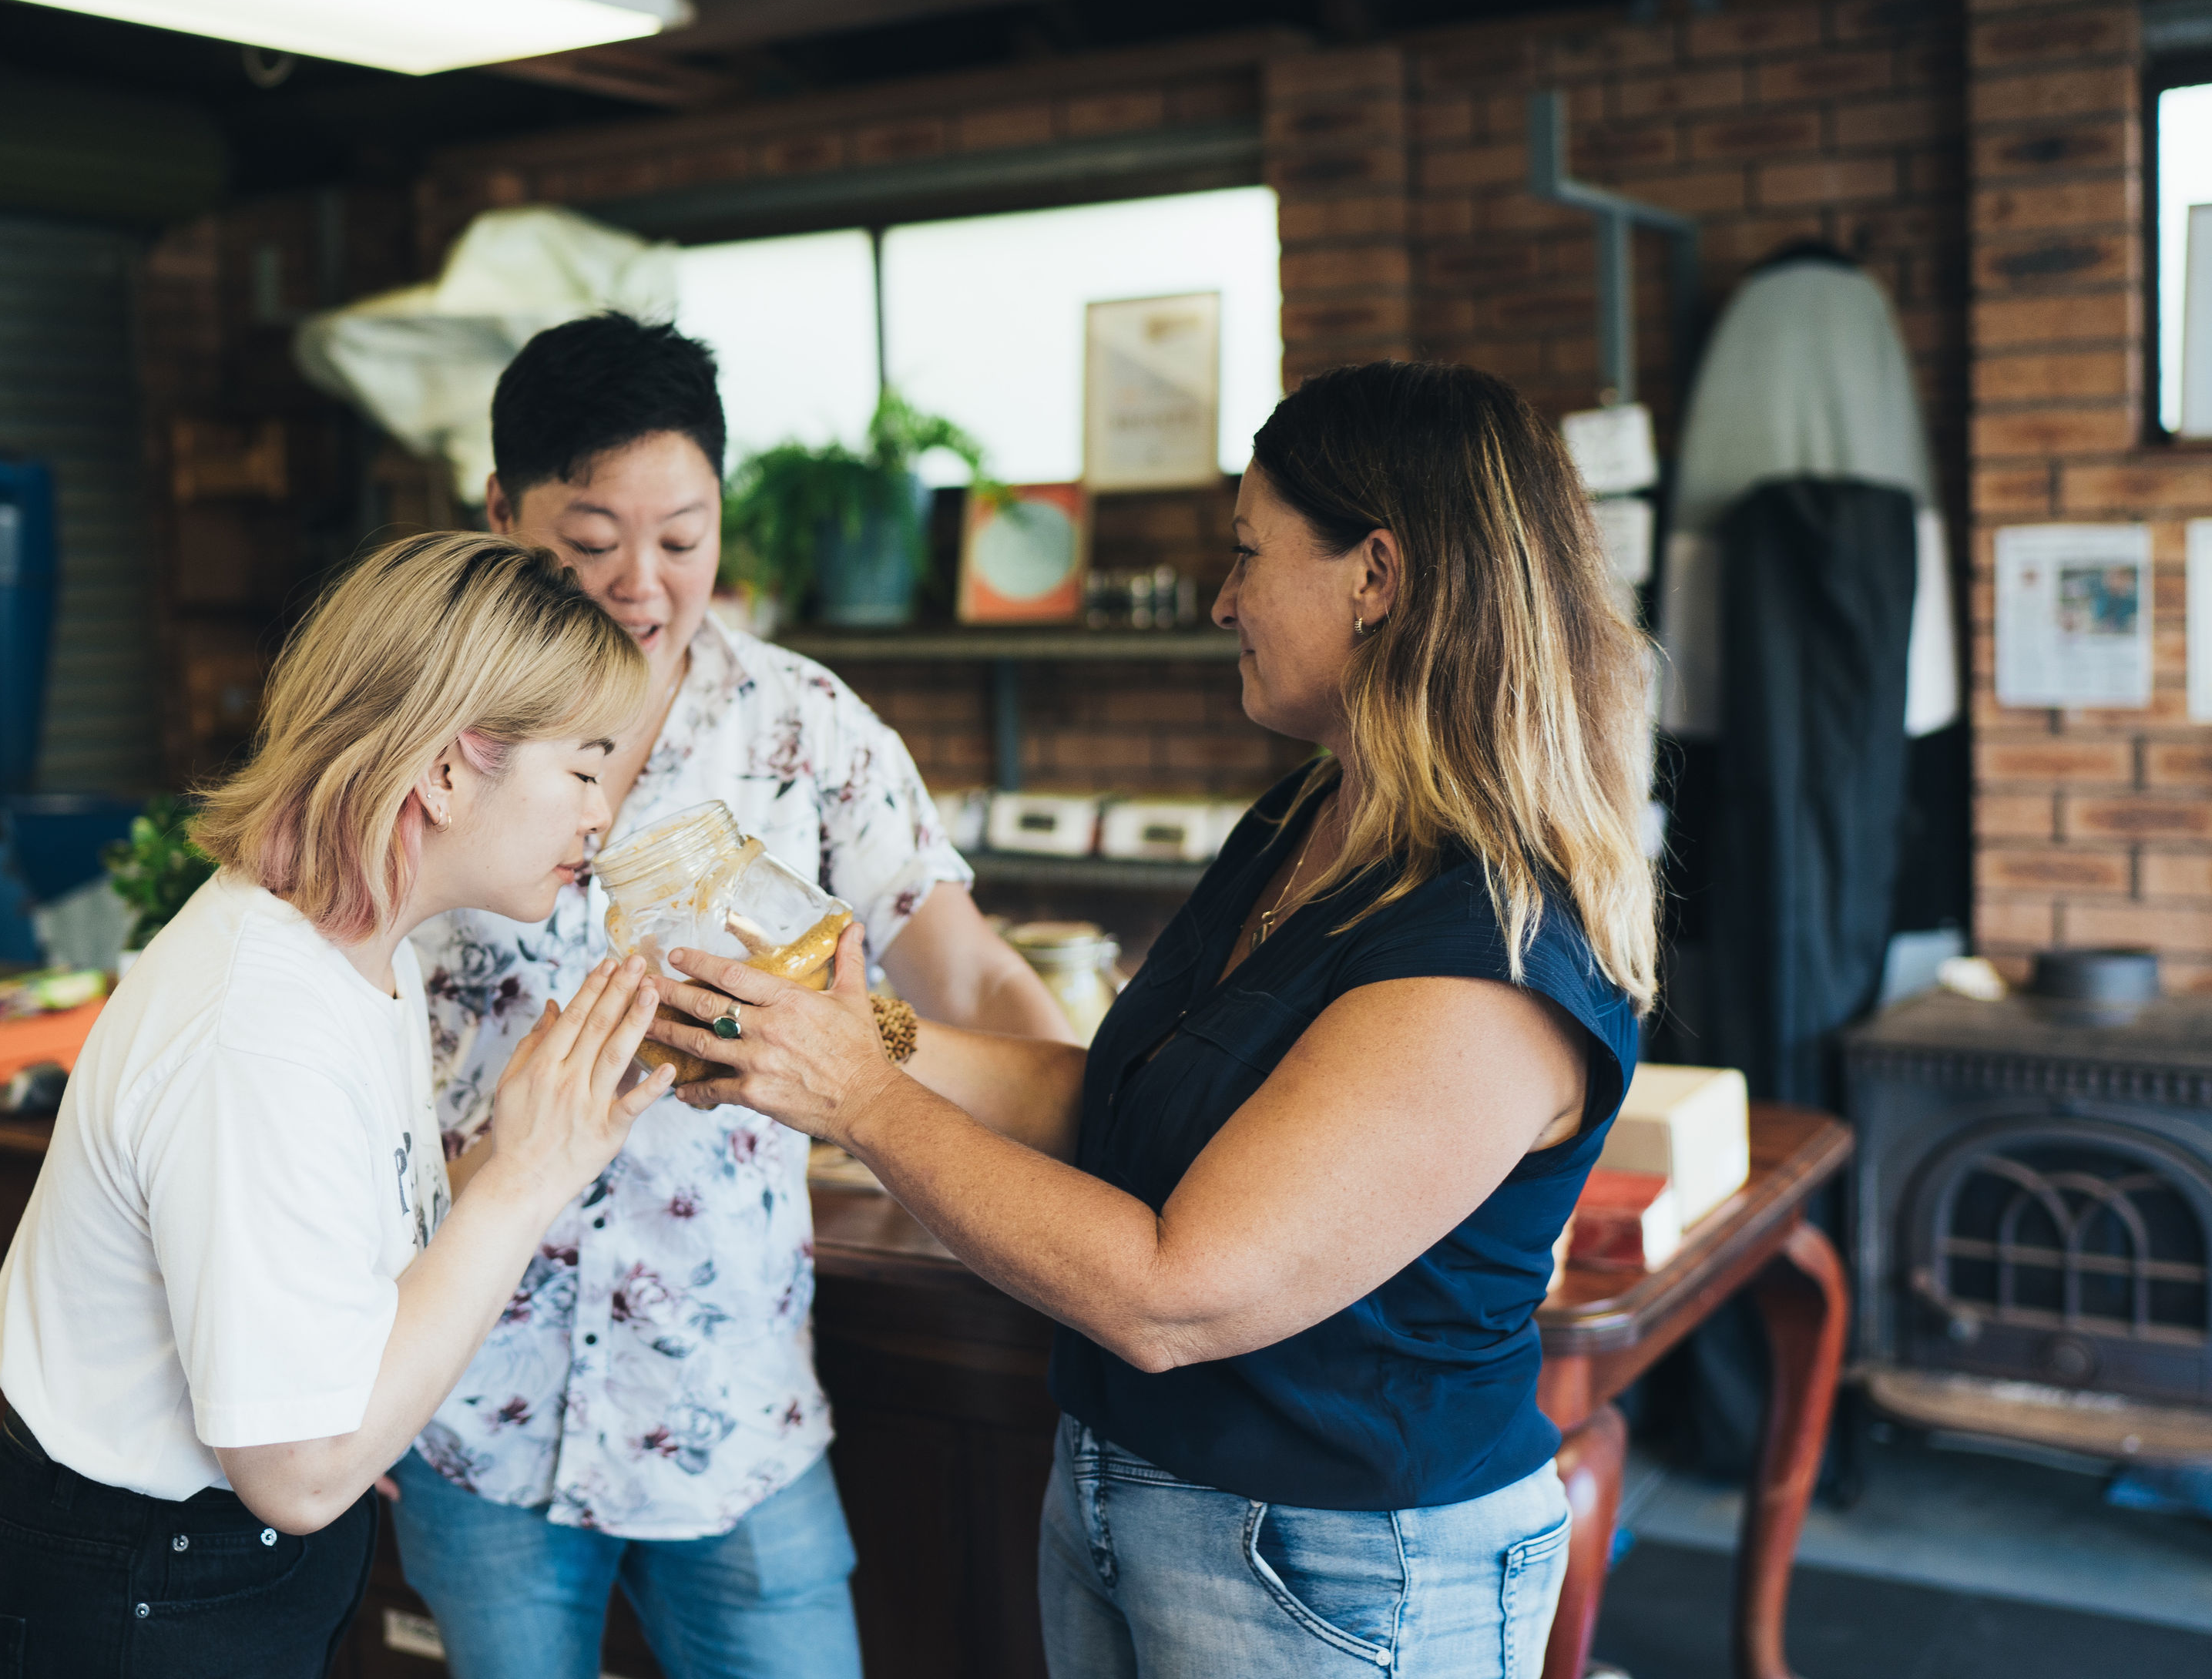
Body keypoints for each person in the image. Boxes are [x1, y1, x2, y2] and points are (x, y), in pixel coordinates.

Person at [646, 361, 1656, 1678]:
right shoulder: (1309, 820)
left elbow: (1172, 1292)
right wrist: (858, 1031)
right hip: (1130, 1500)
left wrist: (857, 1098)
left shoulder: (1486, 952)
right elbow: (1119, 1105)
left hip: (1342, 1571)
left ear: (1379, 577)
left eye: (1248, 554)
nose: (1225, 598)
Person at [395, 314, 1074, 1679]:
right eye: (589, 542)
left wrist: (1098, 1133)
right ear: (498, 511)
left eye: (682, 539)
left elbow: (973, 971)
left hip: (730, 1402)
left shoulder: (803, 727)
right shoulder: (414, 732)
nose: (640, 586)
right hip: (471, 1398)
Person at [0, 535, 678, 1679]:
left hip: (213, 1575)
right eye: (582, 769)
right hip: (129, 1597)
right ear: (444, 770)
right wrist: (527, 1180)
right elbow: (303, 1470)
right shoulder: (259, 1027)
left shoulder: (362, 947)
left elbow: (337, 1289)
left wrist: (533, 1133)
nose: (600, 816)